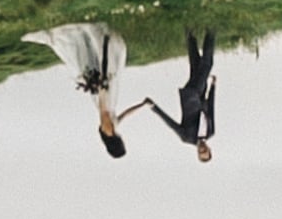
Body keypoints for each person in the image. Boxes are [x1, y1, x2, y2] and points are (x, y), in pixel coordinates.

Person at [23, 23, 135, 158]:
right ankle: (99, 38)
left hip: (104, 96)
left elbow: (103, 111)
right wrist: (144, 104)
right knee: (96, 62)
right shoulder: (113, 130)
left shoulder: (108, 130)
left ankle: (99, 38)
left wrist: (102, 89)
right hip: (105, 96)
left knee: (98, 63)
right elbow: (125, 115)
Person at [140, 29, 216, 162]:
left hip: (190, 96)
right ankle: (190, 32)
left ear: (197, 153)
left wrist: (154, 107)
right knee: (196, 63)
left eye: (200, 152)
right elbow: (211, 109)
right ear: (209, 149)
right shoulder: (211, 132)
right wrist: (213, 87)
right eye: (205, 151)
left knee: (207, 65)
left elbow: (170, 123)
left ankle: (211, 29)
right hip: (201, 94)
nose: (202, 149)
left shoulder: (186, 137)